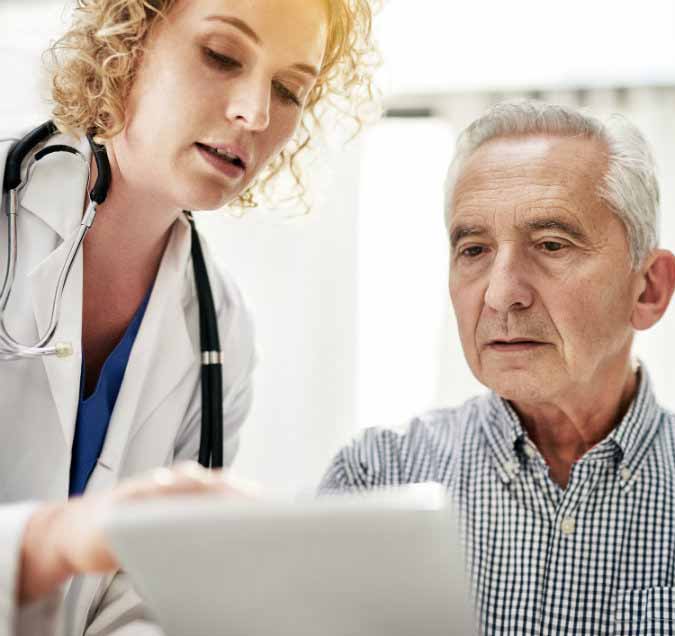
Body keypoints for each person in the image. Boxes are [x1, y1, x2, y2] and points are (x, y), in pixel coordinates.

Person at [320, 101, 675, 634]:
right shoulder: (371, 482)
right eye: (474, 250)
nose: (502, 293)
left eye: (552, 244)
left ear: (648, 289)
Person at [0, 0, 375, 633]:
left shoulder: (221, 330)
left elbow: (138, 600)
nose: (255, 114)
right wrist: (49, 544)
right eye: (222, 56)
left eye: (288, 90)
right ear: (127, 40)